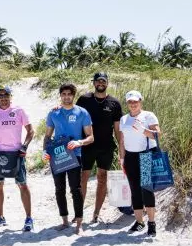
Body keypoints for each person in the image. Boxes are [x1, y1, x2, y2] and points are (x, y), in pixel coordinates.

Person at [43, 83, 95, 235]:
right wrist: (45, 151)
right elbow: (47, 136)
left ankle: (79, 223)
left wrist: (80, 142)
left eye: (69, 94)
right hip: (57, 155)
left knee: (76, 189)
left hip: (75, 155)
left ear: (73, 95)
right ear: (60, 96)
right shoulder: (54, 113)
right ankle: (64, 221)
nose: (66, 97)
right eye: (63, 94)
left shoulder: (82, 112)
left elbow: (91, 137)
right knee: (59, 189)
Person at [0, 85, 35, 232]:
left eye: (6, 95)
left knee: (22, 185)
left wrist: (24, 146)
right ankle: (0, 217)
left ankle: (29, 218)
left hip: (15, 154)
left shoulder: (19, 111)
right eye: (0, 96)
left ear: (10, 96)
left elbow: (31, 131)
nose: (3, 99)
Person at [76, 72, 123, 223]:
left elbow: (117, 129)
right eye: (98, 81)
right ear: (94, 83)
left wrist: (122, 152)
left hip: (106, 147)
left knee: (102, 179)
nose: (100, 83)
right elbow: (73, 116)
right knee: (83, 178)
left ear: (107, 83)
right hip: (87, 145)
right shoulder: (84, 99)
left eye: (103, 81)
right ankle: (79, 214)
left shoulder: (114, 103)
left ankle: (96, 214)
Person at [119, 90, 162, 237]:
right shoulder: (124, 119)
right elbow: (122, 141)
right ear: (127, 103)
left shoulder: (148, 115)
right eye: (130, 102)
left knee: (146, 189)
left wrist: (143, 130)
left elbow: (157, 134)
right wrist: (122, 158)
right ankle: (139, 222)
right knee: (134, 190)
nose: (133, 104)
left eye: (135, 101)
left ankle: (151, 223)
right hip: (130, 157)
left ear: (140, 101)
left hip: (145, 155)